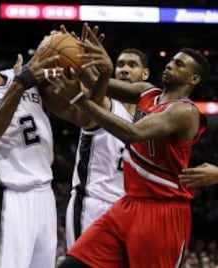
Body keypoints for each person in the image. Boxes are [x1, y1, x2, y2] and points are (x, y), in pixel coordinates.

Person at [0, 26, 107, 268]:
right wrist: (21, 83)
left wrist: (99, 75)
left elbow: (83, 118)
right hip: (8, 198)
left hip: (44, 196)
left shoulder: (28, 78)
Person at [53, 32, 210, 267]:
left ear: (194, 79)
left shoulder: (184, 112)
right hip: (128, 205)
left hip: (163, 212)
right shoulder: (147, 92)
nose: (170, 65)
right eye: (171, 60)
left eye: (179, 64)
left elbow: (131, 133)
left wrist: (80, 101)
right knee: (73, 263)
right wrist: (87, 59)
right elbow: (99, 84)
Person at [65, 48, 150, 248]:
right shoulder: (105, 105)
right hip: (93, 205)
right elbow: (94, 96)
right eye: (120, 65)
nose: (124, 70)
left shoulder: (149, 120)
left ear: (145, 74)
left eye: (132, 65)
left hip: (128, 210)